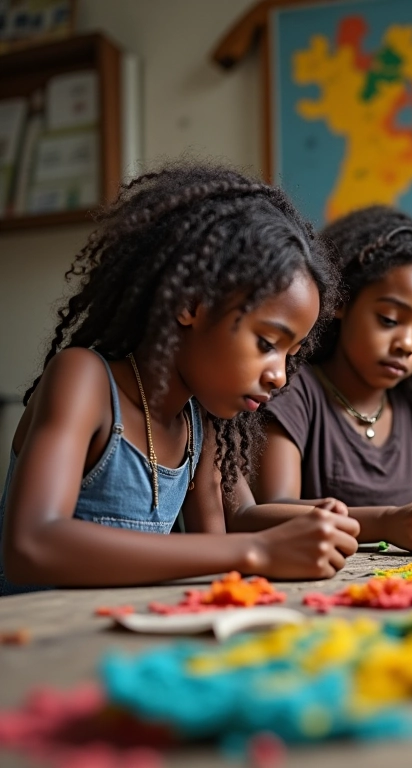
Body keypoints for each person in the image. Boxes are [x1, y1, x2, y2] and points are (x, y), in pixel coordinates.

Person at [0, 164, 361, 596]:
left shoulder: (199, 426)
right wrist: (256, 550)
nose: (279, 375)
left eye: (292, 354)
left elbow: (217, 566)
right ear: (191, 303)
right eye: (267, 342)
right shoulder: (83, 380)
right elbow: (31, 545)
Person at [253, 206, 412, 552]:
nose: (406, 344)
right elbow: (269, 511)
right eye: (389, 320)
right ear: (340, 301)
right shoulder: (295, 394)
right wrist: (385, 522)